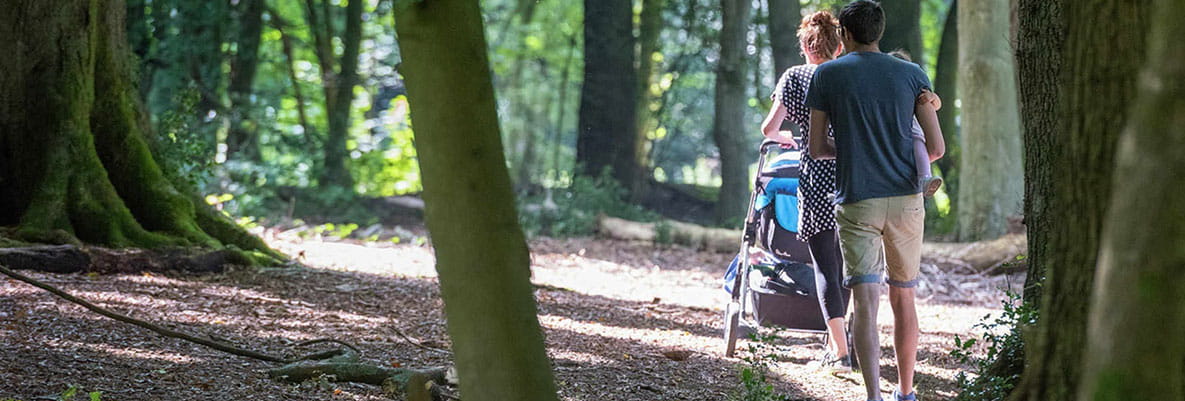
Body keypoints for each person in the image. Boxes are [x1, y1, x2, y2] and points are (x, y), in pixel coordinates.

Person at [803, 1, 945, 401]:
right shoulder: (913, 75)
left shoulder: (827, 75)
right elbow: (935, 147)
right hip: (905, 200)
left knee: (865, 304)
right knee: (904, 296)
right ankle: (905, 392)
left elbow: (817, 147)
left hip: (857, 200)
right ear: (879, 32)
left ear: (844, 34)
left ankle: (873, 397)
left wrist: (851, 149)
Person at [758, 10, 852, 373]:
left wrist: (784, 138)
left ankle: (840, 352)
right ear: (839, 45)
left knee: (825, 265)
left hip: (814, 178)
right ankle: (846, 345)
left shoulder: (793, 77)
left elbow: (770, 127)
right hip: (850, 176)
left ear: (804, 46)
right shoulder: (847, 75)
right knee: (850, 265)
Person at [887, 50, 944, 197]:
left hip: (914, 132)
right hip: (900, 134)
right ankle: (922, 176)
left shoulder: (916, 91)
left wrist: (931, 97)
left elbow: (936, 104)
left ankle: (925, 178)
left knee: (919, 148)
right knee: (919, 150)